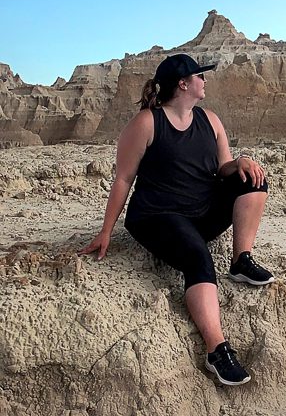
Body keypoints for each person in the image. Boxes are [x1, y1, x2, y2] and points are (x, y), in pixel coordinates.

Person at [81, 53, 273, 387]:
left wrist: (241, 162)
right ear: (183, 83)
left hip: (201, 211)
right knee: (197, 256)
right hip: (158, 216)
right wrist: (105, 231)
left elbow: (223, 167)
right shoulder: (146, 123)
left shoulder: (210, 120)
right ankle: (217, 350)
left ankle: (242, 259)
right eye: (200, 76)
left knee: (253, 178)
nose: (205, 81)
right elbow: (123, 179)